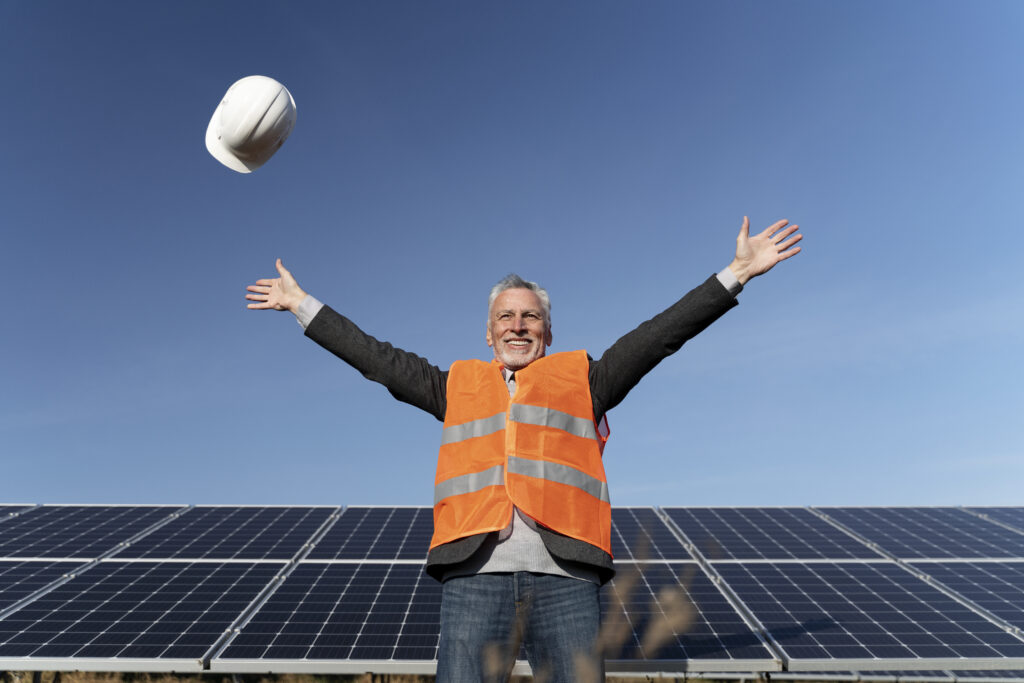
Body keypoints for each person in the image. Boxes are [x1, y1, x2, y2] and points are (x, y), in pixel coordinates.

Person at [245, 216, 802, 682]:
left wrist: (736, 274)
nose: (518, 325)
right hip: (473, 580)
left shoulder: (585, 380)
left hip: (567, 583)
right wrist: (301, 305)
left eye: (530, 316)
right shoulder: (453, 387)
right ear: (488, 335)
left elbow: (658, 336)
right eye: (505, 317)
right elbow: (376, 358)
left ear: (548, 333)